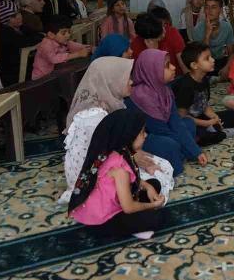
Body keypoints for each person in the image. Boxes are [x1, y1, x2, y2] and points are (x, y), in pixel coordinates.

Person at [60, 57, 173, 205]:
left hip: (111, 163)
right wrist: (134, 161)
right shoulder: (93, 118)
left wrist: (135, 157)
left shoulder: (110, 103)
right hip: (95, 178)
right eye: (126, 77)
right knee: (157, 178)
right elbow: (105, 157)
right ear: (110, 81)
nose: (131, 81)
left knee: (163, 165)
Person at [68, 109, 167, 239]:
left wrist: (148, 187)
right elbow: (129, 207)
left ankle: (137, 224)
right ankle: (132, 228)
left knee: (154, 184)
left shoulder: (116, 152)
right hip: (100, 220)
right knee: (158, 217)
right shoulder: (120, 170)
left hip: (106, 204)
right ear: (129, 135)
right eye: (142, 132)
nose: (146, 135)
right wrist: (152, 206)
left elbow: (132, 181)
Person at [125, 49, 207, 175]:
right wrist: (189, 147)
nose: (174, 67)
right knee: (169, 144)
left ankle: (180, 153)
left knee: (188, 123)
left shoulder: (164, 90)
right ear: (153, 71)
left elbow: (176, 123)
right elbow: (161, 131)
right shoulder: (142, 97)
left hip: (164, 132)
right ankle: (177, 157)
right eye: (167, 66)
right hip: (142, 140)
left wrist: (196, 151)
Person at [172, 42, 234, 145]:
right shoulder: (186, 86)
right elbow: (182, 116)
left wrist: (214, 117)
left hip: (200, 117)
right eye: (207, 58)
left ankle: (215, 129)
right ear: (194, 65)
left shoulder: (204, 79)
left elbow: (204, 104)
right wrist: (206, 123)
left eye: (211, 57)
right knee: (201, 138)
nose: (213, 60)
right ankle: (223, 133)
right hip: (189, 123)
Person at [31, 15, 92, 80]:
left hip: (53, 73)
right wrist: (78, 54)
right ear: (51, 35)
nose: (68, 35)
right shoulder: (46, 44)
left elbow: (72, 45)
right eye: (63, 33)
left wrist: (88, 47)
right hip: (41, 79)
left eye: (69, 32)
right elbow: (53, 59)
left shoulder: (61, 41)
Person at [194, 0, 234, 77]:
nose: (209, 10)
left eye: (213, 7)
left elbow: (231, 54)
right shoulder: (198, 28)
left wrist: (227, 67)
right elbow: (199, 56)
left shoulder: (227, 27)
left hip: (222, 63)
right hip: (204, 63)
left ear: (220, 9)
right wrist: (207, 34)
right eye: (207, 7)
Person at [0, 11, 41, 86]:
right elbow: (25, 42)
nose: (19, 17)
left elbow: (37, 35)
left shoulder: (22, 28)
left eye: (18, 13)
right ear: (5, 20)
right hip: (13, 75)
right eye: (13, 16)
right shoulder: (6, 33)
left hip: (27, 68)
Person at [148, 7, 189, 74]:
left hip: (175, 78)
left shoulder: (172, 32)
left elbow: (182, 62)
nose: (163, 29)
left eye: (165, 24)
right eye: (159, 25)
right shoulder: (144, 38)